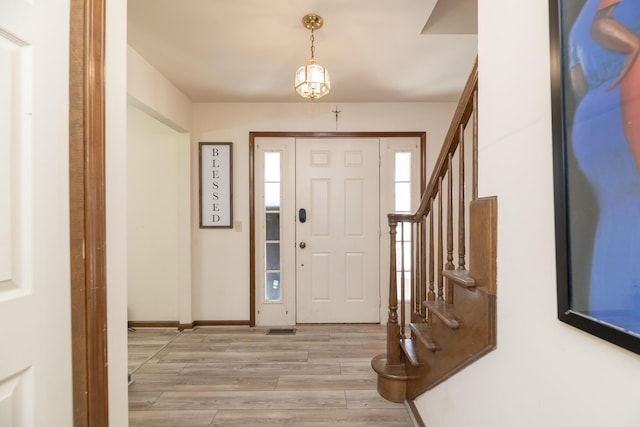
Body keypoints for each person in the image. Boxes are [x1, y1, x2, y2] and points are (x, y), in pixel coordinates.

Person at [569, 0, 640, 334]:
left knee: (616, 220)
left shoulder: (577, 26)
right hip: (624, 105)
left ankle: (608, 318)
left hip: (590, 120)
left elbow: (577, 82)